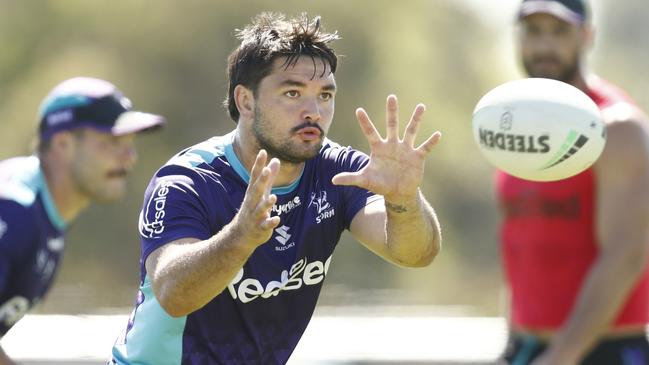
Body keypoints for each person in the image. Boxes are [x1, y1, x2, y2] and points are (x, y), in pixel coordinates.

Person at [110, 12, 442, 365]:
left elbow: (415, 254)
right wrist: (240, 236)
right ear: (246, 101)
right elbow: (172, 294)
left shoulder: (339, 171)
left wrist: (404, 199)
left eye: (325, 96)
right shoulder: (188, 181)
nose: (313, 111)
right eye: (293, 92)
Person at [498, 1, 649, 364]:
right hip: (526, 349)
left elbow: (626, 256)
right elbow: (522, 246)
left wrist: (561, 356)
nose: (544, 46)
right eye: (534, 32)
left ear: (587, 36)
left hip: (604, 352)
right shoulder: (510, 127)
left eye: (559, 31)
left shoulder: (617, 128)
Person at [0, 77, 165, 364]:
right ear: (63, 143)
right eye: (112, 140)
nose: (130, 157)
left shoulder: (42, 211)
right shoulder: (13, 212)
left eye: (129, 142)